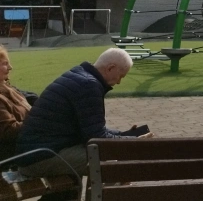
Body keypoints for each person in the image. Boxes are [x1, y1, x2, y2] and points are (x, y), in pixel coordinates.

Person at [15, 48, 152, 179]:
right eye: (120, 76)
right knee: (111, 165)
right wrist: (133, 142)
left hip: (34, 153)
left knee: (100, 160)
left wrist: (122, 135)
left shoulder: (79, 75)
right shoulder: (89, 85)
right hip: (40, 157)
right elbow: (96, 137)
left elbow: (93, 130)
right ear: (110, 68)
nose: (119, 82)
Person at [0, 47, 36, 161]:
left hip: (30, 146)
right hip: (19, 156)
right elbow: (9, 131)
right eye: (5, 64)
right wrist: (39, 122)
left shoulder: (8, 88)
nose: (10, 67)